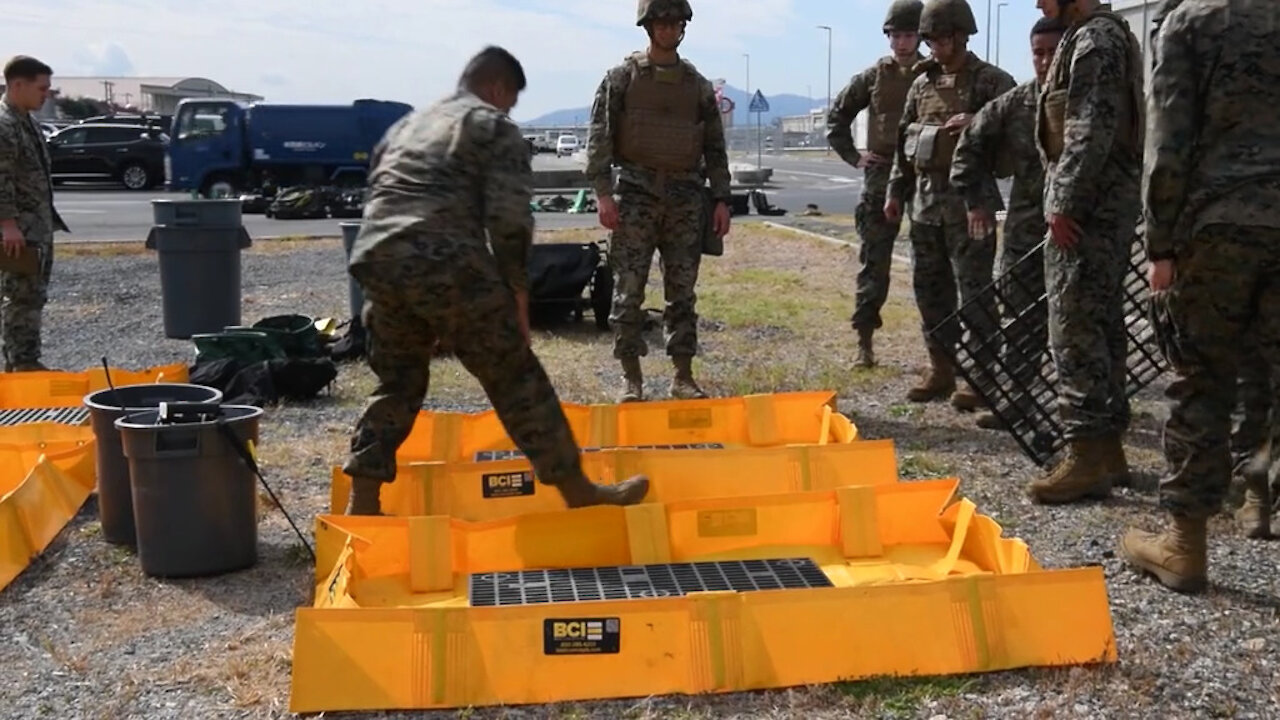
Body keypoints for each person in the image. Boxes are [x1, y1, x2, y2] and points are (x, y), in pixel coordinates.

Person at [341, 46, 650, 516]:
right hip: (445, 258)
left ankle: (363, 499)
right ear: (497, 88)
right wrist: (517, 292)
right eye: (510, 102)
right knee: (516, 377)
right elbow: (509, 218)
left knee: (398, 383)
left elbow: (379, 194)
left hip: (376, 260)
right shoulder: (490, 124)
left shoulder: (407, 126)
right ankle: (579, 493)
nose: (509, 111)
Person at [1119, 0, 1280, 591]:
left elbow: (1169, 139)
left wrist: (1160, 242)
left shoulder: (1194, 20)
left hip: (1217, 227)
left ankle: (1185, 545)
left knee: (1201, 378)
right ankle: (1258, 501)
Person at [1026, 0, 1145, 505]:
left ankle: (1085, 453)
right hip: (1100, 206)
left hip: (1087, 212)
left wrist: (1063, 201)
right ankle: (1107, 447)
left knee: (1074, 328)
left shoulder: (1095, 40)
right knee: (1101, 325)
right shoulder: (1098, 35)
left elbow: (1088, 127)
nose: (1037, 2)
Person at [585, 0, 732, 403]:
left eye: (676, 22)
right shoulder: (621, 79)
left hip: (685, 197)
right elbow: (599, 137)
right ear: (648, 26)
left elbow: (715, 146)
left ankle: (682, 375)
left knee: (682, 293)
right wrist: (602, 194)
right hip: (634, 194)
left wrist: (722, 198)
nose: (669, 29)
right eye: (662, 21)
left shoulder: (697, 85)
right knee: (627, 290)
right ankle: (631, 378)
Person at [885, 0, 1016, 408]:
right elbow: (904, 143)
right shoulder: (922, 85)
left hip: (974, 208)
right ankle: (940, 367)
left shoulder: (992, 82)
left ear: (962, 34)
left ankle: (979, 377)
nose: (936, 48)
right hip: (924, 207)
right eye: (930, 40)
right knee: (930, 291)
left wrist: (977, 121)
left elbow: (1020, 138)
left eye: (942, 38)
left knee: (975, 292)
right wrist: (894, 191)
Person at [949, 16, 1066, 430]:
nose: (1046, 60)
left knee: (1086, 324)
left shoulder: (1093, 101)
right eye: (1039, 53)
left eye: (1054, 51)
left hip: (1080, 233)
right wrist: (977, 201)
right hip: (1026, 230)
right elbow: (969, 148)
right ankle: (1015, 403)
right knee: (1019, 318)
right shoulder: (1016, 103)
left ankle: (1094, 413)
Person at [825, 0, 925, 369]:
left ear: (921, 36)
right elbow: (837, 117)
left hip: (924, 173)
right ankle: (864, 341)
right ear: (888, 37)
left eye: (910, 34)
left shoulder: (934, 73)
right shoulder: (875, 76)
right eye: (897, 35)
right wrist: (855, 157)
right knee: (874, 261)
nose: (902, 42)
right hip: (881, 174)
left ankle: (939, 352)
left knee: (932, 263)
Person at [0, 55, 67, 372]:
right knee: (21, 298)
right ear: (18, 85)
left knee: (33, 296)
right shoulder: (4, 125)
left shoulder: (25, 121)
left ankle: (24, 361)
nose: (46, 95)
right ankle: (22, 364)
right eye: (41, 89)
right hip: (19, 232)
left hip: (35, 228)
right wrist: (8, 225)